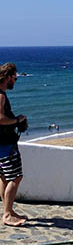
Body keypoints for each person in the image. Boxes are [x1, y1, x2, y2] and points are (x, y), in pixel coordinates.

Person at [0, 63, 28, 226]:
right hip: (5, 145)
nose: (15, 82)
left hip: (1, 145)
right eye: (15, 78)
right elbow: (1, 119)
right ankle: (7, 215)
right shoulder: (1, 95)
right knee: (16, 177)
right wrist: (18, 120)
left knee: (4, 177)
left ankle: (8, 211)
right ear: (8, 77)